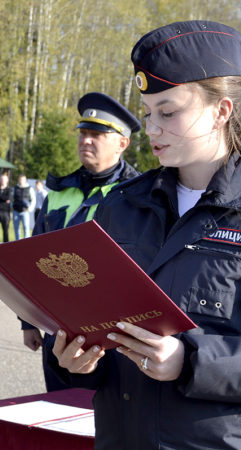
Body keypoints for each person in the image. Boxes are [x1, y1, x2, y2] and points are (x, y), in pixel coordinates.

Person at [50, 21, 241, 448]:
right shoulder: (122, 206)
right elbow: (98, 322)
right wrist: (79, 361)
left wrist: (191, 361)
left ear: (223, 110)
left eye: (168, 112)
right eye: (149, 113)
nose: (152, 129)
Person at [21, 91, 141, 393]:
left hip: (110, 338)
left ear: (122, 144)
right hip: (56, 330)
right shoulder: (60, 193)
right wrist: (28, 321)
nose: (86, 141)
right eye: (83, 133)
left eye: (97, 134)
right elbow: (28, 259)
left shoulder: (139, 196)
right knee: (59, 414)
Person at [11, 174, 36, 240]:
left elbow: (33, 199)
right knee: (16, 228)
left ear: (25, 180)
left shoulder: (30, 188)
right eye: (20, 179)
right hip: (16, 211)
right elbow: (11, 198)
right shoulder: (15, 188)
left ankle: (26, 242)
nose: (21, 181)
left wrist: (30, 209)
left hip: (25, 211)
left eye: (23, 179)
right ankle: (17, 242)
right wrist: (12, 206)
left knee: (26, 227)